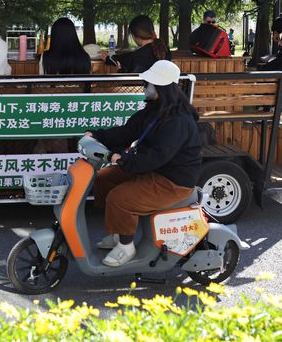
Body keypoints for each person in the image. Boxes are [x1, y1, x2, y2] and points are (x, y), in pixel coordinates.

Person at [85, 60, 202, 267]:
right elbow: (127, 132)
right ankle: (118, 233)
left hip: (173, 180)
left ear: (161, 88)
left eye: (149, 83)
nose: (144, 87)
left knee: (119, 198)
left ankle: (126, 247)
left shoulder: (178, 120)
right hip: (153, 169)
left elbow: (157, 156)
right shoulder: (155, 109)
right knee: (104, 179)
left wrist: (124, 159)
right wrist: (97, 135)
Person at [102, 15, 171, 73]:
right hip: (166, 89)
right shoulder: (164, 49)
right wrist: (110, 59)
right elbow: (125, 57)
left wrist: (120, 70)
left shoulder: (136, 56)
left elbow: (129, 84)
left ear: (135, 36)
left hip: (143, 89)